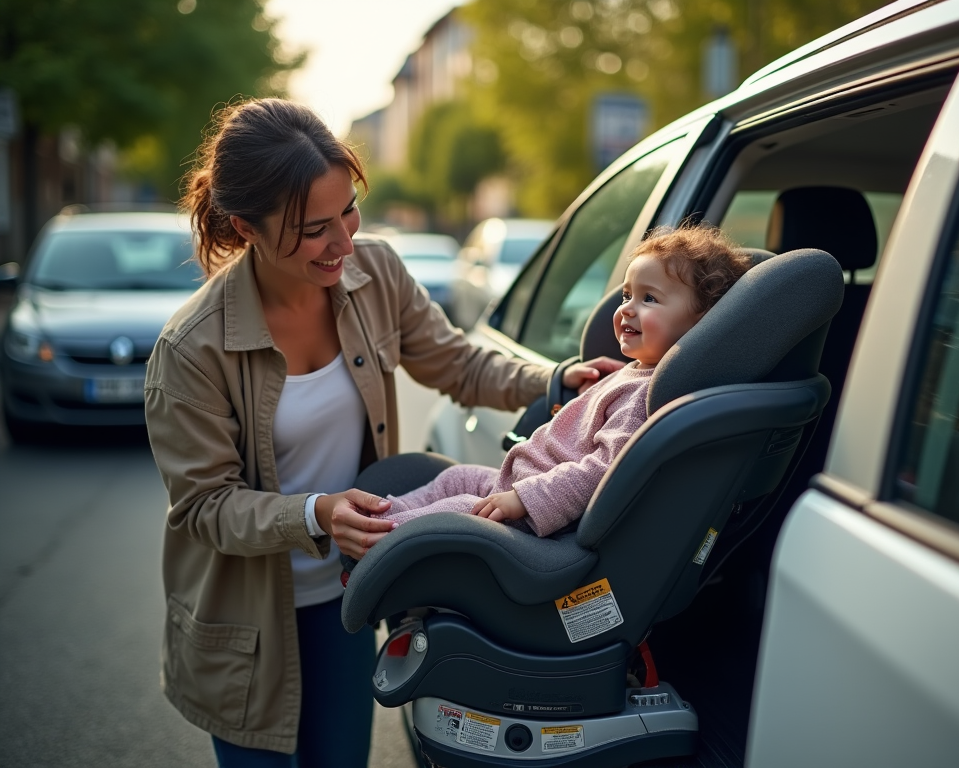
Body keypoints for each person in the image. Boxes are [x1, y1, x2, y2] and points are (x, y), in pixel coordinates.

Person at [143, 98, 618, 767]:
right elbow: (203, 507)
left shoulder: (377, 273)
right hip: (246, 625)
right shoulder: (192, 348)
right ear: (246, 227)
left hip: (346, 595)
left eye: (349, 211)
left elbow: (455, 361)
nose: (343, 242)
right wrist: (316, 514)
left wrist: (554, 381)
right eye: (314, 230)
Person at [346, 225, 752, 541]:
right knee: (454, 479)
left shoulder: (647, 395)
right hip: (521, 481)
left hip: (537, 513)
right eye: (627, 294)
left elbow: (602, 471)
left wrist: (525, 499)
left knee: (461, 504)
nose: (626, 309)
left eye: (649, 299)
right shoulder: (632, 373)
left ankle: (379, 538)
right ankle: (382, 513)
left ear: (702, 324)